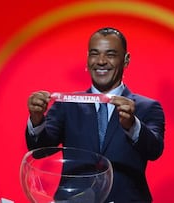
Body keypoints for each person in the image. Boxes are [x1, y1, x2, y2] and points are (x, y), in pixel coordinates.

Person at [25, 27, 165, 202]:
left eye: (111, 54)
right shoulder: (66, 104)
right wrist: (37, 119)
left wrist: (132, 125)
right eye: (94, 54)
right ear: (87, 59)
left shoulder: (147, 107)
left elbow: (154, 151)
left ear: (126, 60)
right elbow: (40, 151)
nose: (101, 61)